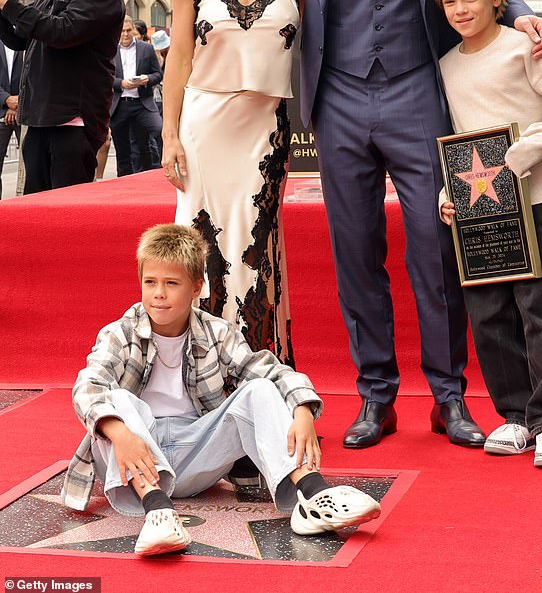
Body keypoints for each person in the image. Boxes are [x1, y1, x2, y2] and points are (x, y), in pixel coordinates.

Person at [160, 0, 542, 450]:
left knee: (437, 248)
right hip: (338, 94)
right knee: (356, 251)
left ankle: (448, 396)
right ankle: (376, 397)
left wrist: (517, 9)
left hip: (416, 89)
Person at [61, 223, 380, 556]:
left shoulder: (216, 331)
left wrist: (301, 411)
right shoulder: (119, 333)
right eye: (150, 282)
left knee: (258, 388)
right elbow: (88, 386)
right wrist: (121, 435)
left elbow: (269, 370)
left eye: (171, 283)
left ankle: (313, 498)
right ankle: (158, 512)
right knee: (117, 399)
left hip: (197, 454)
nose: (158, 294)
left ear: (197, 286)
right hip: (137, 457)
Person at [429, 0, 542, 468]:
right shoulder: (447, 65)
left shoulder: (523, 47)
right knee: (490, 315)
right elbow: (458, 136)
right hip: (481, 207)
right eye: (449, 1)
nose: (460, 9)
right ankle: (516, 415)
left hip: (539, 199)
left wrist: (523, 154)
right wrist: (450, 191)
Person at [161, 0, 304, 369]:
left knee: (256, 245)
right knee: (203, 245)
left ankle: (262, 373)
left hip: (265, 130)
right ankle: (200, 375)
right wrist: (170, 135)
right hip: (204, 126)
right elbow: (178, 57)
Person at [0, 0, 125, 194]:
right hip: (40, 119)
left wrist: (10, 3)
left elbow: (62, 32)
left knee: (67, 215)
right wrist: (2, 10)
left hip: (73, 122)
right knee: (36, 209)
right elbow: (21, 39)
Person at [110, 15, 163, 175]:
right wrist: (121, 83)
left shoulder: (145, 48)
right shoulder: (110, 50)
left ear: (133, 29)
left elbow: (158, 74)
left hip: (143, 103)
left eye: (128, 30)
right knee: (122, 151)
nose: (125, 34)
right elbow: (104, 76)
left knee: (156, 133)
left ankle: (152, 175)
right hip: (120, 105)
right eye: (122, 31)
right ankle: (122, 185)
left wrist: (147, 79)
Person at [0, 42, 22, 198]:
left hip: (26, 112)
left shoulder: (28, 36)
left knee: (32, 167)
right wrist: (6, 99)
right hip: (1, 111)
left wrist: (18, 102)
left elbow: (35, 75)